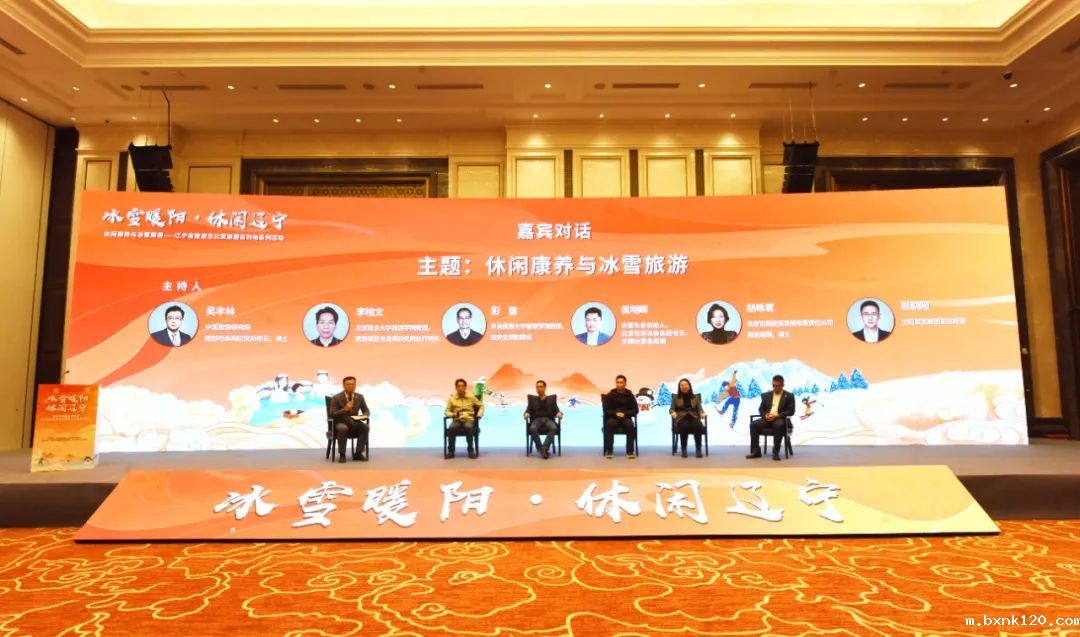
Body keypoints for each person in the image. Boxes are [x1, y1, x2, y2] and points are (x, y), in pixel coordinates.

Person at [747, 374, 796, 461]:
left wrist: (777, 415)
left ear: (782, 385)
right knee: (753, 425)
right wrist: (765, 415)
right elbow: (761, 409)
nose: (775, 388)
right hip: (767, 419)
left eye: (777, 386)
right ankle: (756, 451)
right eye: (773, 385)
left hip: (780, 419)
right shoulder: (766, 395)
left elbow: (791, 411)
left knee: (778, 425)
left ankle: (775, 452)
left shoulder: (789, 396)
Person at [328, 375, 370, 462]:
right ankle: (342, 454)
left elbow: (366, 410)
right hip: (341, 422)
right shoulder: (336, 397)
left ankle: (358, 453)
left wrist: (364, 416)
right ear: (344, 385)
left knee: (365, 427)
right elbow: (332, 414)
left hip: (354, 422)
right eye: (348, 384)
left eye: (353, 384)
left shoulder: (360, 397)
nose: (351, 386)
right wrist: (345, 409)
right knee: (343, 428)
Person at [444, 378, 484, 458]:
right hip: (457, 419)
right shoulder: (452, 399)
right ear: (456, 388)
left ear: (465, 387)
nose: (460, 388)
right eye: (458, 386)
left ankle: (470, 451)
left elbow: (481, 406)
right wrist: (452, 414)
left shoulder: (471, 397)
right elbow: (446, 411)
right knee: (451, 428)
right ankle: (451, 452)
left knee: (468, 427)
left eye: (462, 386)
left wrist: (479, 415)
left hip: (469, 419)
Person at [602, 374, 639, 458]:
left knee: (630, 425)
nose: (619, 384)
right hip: (613, 417)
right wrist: (616, 413)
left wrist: (625, 414)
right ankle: (609, 451)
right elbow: (606, 410)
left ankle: (630, 452)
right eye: (617, 382)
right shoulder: (610, 395)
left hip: (626, 417)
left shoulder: (630, 395)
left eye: (621, 382)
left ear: (625, 384)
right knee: (609, 425)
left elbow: (635, 410)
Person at [525, 380, 563, 459]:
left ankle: (544, 448)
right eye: (537, 387)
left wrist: (559, 414)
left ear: (545, 388)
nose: (539, 389)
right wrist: (526, 414)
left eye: (541, 387)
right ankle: (542, 449)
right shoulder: (532, 400)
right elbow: (528, 410)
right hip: (536, 419)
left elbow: (556, 410)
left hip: (548, 419)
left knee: (554, 428)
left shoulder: (551, 399)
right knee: (532, 428)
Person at [669, 378, 706, 458]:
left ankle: (698, 449)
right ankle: (683, 449)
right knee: (683, 425)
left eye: (685, 385)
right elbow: (671, 409)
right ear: (679, 387)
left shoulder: (695, 397)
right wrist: (673, 412)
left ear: (689, 386)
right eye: (681, 385)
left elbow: (699, 408)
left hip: (693, 417)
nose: (684, 386)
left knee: (698, 425)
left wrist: (702, 413)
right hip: (681, 418)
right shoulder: (676, 397)